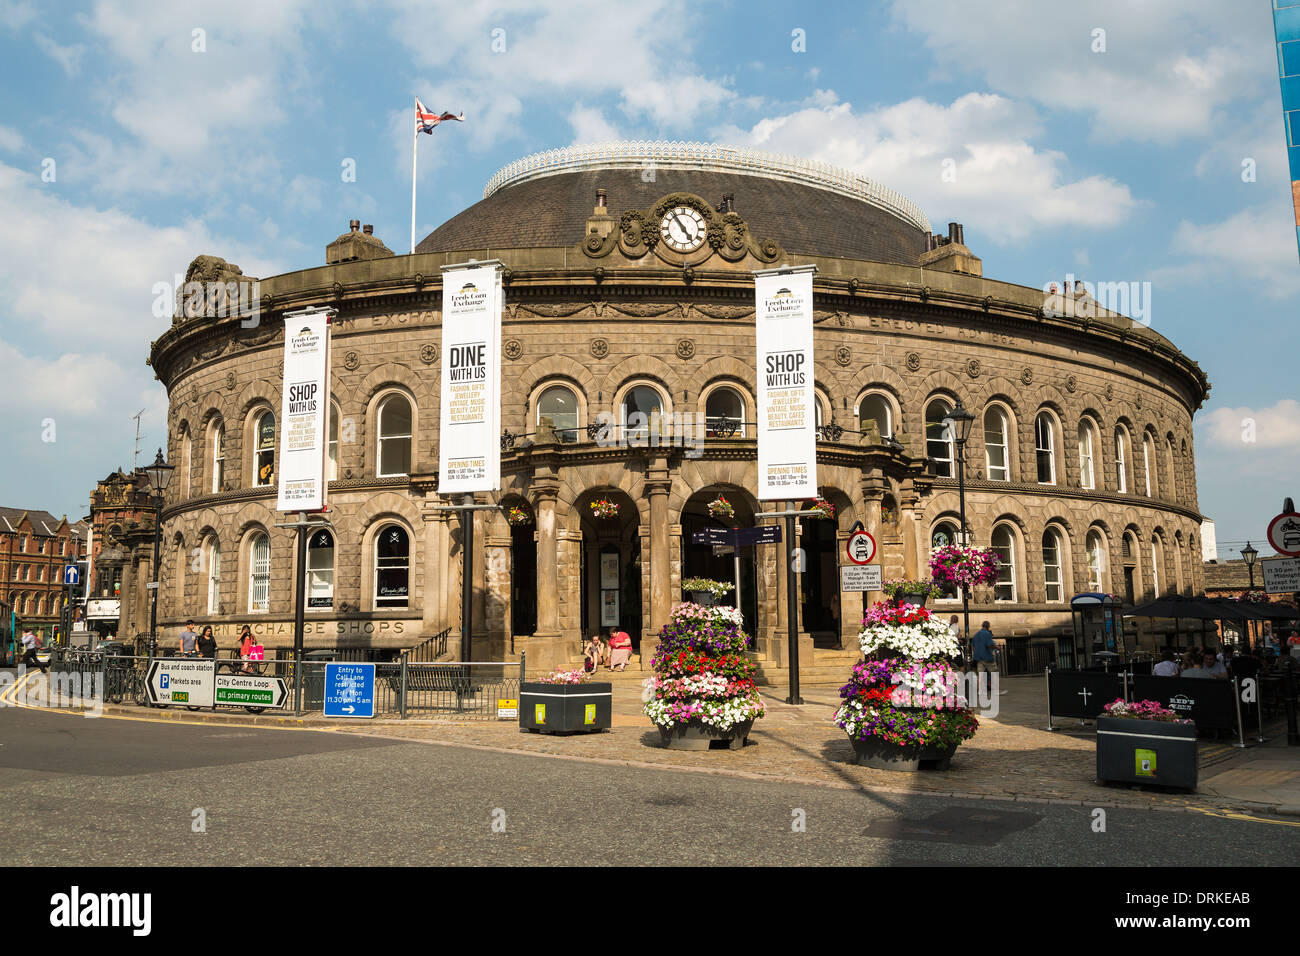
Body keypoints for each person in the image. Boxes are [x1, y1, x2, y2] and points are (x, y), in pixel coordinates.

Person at [970, 621, 1004, 697]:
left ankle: (980, 691)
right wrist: (997, 647)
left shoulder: (976, 635)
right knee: (994, 673)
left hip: (978, 657)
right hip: (987, 657)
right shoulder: (987, 634)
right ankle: (996, 691)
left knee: (980, 675)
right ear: (988, 626)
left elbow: (972, 647)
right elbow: (989, 645)